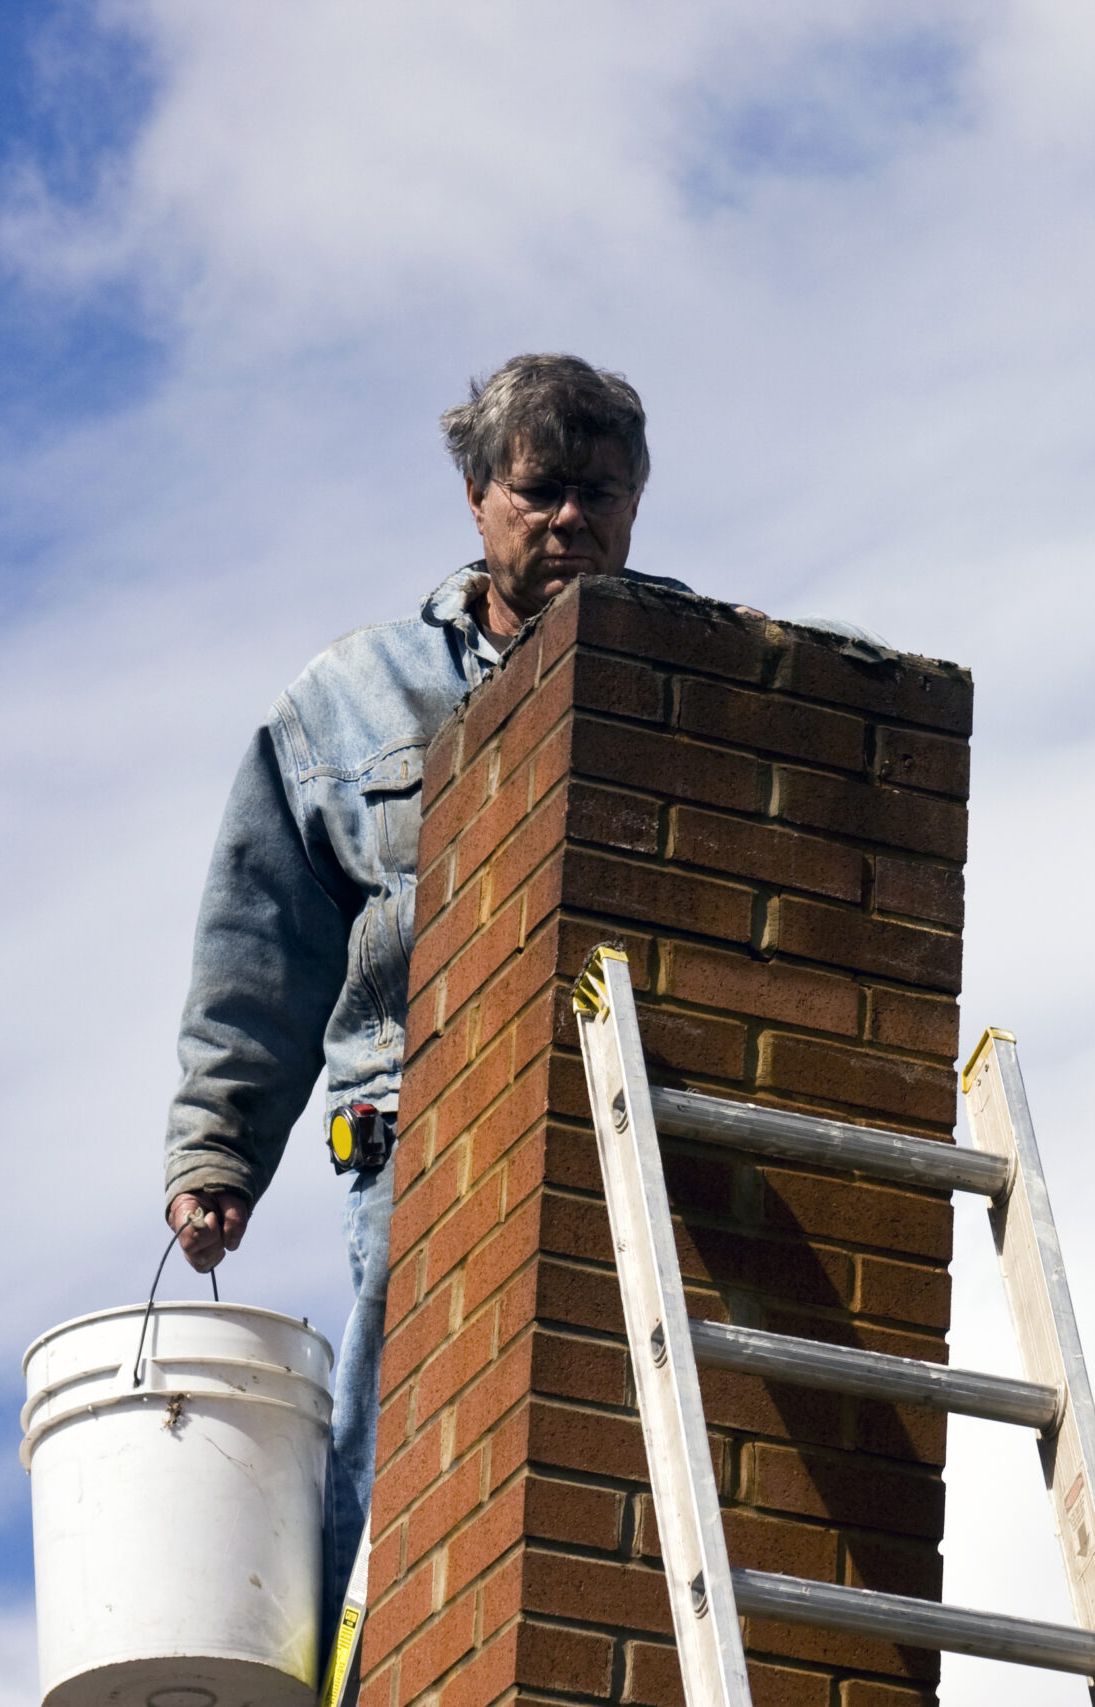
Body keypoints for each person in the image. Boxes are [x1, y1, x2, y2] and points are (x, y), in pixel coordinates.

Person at [159, 353, 679, 1650]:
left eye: (597, 494)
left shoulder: (690, 674)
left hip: (644, 1102)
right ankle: (366, 1655)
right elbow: (261, 947)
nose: (570, 520)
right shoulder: (352, 702)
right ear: (476, 497)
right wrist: (218, 1146)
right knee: (412, 1416)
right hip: (421, 1119)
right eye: (539, 490)